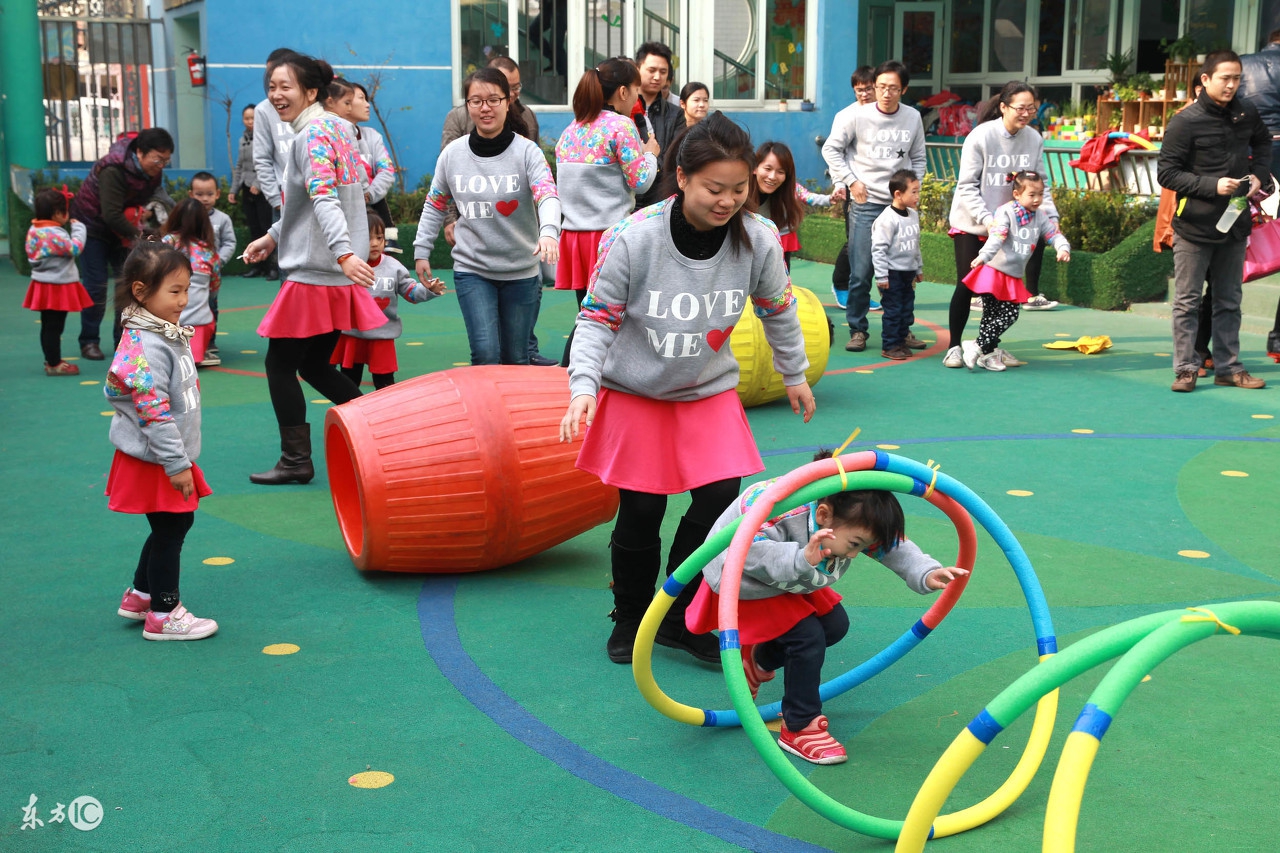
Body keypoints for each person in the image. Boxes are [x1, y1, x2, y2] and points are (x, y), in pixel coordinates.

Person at [558, 112, 817, 666]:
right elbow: (597, 318)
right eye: (714, 188)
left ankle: (676, 618)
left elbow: (778, 309)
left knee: (721, 501)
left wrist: (793, 373)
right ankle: (630, 618)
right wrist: (583, 386)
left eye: (739, 189)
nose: (727, 201)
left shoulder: (760, 238)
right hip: (637, 391)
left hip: (707, 391)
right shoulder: (633, 237)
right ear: (682, 178)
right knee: (642, 510)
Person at [684, 451, 967, 764]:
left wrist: (927, 572)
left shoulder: (847, 515)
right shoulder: (779, 511)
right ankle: (799, 725)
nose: (857, 555)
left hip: (793, 576)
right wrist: (801, 558)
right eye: (855, 544)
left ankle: (759, 658)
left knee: (834, 625)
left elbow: (892, 547)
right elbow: (745, 553)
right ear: (822, 516)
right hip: (744, 581)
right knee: (806, 638)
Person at [241, 51, 385, 485]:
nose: (275, 95)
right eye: (271, 87)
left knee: (279, 365)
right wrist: (272, 236)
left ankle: (295, 461)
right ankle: (378, 436)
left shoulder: (313, 136)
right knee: (316, 366)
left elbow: (325, 198)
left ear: (310, 92)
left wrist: (341, 252)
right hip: (333, 270)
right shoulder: (340, 128)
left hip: (317, 271)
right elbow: (318, 199)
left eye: (285, 87)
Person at [105, 242, 218, 641]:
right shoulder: (147, 343)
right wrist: (177, 463)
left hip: (162, 454)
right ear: (141, 291)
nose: (184, 300)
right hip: (157, 457)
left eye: (187, 289)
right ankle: (164, 613)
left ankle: (141, 594)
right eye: (175, 291)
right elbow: (153, 411)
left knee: (169, 526)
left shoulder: (159, 331)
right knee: (172, 528)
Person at [415, 67, 561, 367]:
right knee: (485, 354)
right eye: (476, 101)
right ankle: (486, 416)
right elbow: (435, 204)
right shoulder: (453, 155)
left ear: (508, 102)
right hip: (473, 270)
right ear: (467, 106)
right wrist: (421, 250)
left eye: (493, 99)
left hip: (521, 271)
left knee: (516, 358)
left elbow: (547, 194)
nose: (485, 108)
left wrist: (548, 231)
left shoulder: (527, 152)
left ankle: (512, 415)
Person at [1158, 50, 1272, 392]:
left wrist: (1259, 177)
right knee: (1187, 302)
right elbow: (1167, 173)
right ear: (1205, 80)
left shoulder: (1246, 111)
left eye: (1237, 78)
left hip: (1235, 223)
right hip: (1193, 225)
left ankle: (1228, 368)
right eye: (1225, 78)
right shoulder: (1184, 121)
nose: (1232, 84)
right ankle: (1186, 369)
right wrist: (1212, 185)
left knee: (1229, 300)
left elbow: (1264, 142)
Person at [943, 82, 1059, 369]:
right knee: (967, 284)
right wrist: (987, 220)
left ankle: (988, 347)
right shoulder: (980, 136)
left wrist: (1051, 220)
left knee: (998, 290)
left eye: (1031, 108)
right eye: (1020, 107)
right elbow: (967, 186)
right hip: (973, 222)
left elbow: (1039, 183)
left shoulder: (1033, 138)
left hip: (1009, 225)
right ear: (1004, 107)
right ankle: (954, 345)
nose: (1026, 113)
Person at [554, 57, 660, 364]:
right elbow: (640, 183)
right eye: (637, 93)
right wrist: (650, 154)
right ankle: (570, 376)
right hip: (609, 238)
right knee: (603, 321)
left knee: (587, 315)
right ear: (624, 92)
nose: (638, 101)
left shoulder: (572, 128)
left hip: (575, 238)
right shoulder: (621, 126)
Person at [822, 60, 926, 353]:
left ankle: (901, 330)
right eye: (881, 87)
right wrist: (851, 182)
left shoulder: (913, 117)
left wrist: (912, 192)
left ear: (903, 89)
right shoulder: (855, 116)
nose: (886, 93)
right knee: (862, 271)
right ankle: (858, 329)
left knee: (903, 272)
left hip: (900, 207)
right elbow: (831, 149)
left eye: (893, 88)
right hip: (866, 204)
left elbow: (918, 158)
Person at [70, 127, 174, 359]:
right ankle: (89, 340)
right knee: (96, 286)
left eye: (166, 160)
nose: (161, 165)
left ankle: (123, 342)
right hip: (94, 227)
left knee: (127, 287)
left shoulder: (154, 171)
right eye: (158, 159)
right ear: (140, 152)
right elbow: (111, 215)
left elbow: (154, 198)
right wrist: (138, 235)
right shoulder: (113, 170)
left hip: (123, 231)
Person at [961, 170, 1070, 372]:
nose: (1037, 199)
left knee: (999, 316)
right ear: (1017, 194)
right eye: (1032, 194)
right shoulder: (1006, 212)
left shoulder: (1040, 217)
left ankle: (984, 352)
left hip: (1012, 275)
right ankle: (979, 348)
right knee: (1003, 315)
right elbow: (997, 236)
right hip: (994, 271)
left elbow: (1053, 234)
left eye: (1040, 194)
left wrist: (1062, 248)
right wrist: (983, 256)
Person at [332, 213, 445, 389]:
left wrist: (428, 290)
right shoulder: (349, 268)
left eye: (379, 237)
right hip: (352, 335)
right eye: (368, 238)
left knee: (385, 385)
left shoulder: (394, 267)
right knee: (349, 384)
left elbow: (411, 292)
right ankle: (347, 416)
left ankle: (385, 416)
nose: (375, 243)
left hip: (382, 336)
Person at [1153, 82, 1215, 377]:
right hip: (1187, 219)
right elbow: (1168, 178)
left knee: (1219, 291)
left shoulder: (1235, 120)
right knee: (1189, 294)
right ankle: (1191, 356)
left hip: (1224, 220)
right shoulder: (1183, 121)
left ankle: (1202, 350)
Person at [1238, 30, 1280, 362]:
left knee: (1229, 244)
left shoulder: (1241, 66)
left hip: (1247, 157)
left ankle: (1201, 347)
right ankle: (1278, 339)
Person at [24, 188, 93, 375]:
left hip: (42, 284)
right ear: (57, 213)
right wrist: (79, 229)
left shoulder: (34, 229)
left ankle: (51, 360)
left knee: (48, 325)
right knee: (54, 327)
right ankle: (54, 364)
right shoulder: (55, 234)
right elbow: (75, 248)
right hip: (56, 285)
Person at [252, 47, 303, 282]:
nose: (276, 90)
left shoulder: (312, 108)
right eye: (271, 82)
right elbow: (261, 158)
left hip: (316, 197)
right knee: (289, 266)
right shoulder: (264, 110)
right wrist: (275, 200)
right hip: (283, 201)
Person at [831, 65, 877, 310]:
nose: (864, 94)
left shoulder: (887, 117)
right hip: (856, 190)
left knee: (876, 244)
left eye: (869, 89)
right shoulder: (846, 116)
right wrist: (841, 184)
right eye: (859, 90)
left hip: (882, 192)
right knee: (856, 242)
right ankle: (841, 285)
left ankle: (861, 292)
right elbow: (835, 153)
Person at [751, 140, 832, 271]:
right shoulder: (741, 191)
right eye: (768, 168)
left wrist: (830, 199)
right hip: (751, 246)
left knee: (781, 275)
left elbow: (809, 197)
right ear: (755, 168)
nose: (772, 176)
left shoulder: (791, 190)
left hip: (781, 238)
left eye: (780, 172)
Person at [161, 198, 221, 366]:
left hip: (166, 321)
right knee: (210, 305)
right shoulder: (208, 252)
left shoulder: (165, 244)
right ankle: (200, 350)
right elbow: (214, 288)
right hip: (199, 323)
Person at [872, 169, 924, 361]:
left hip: (908, 273)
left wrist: (918, 268)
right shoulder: (887, 219)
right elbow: (878, 249)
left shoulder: (912, 215)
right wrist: (881, 276)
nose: (917, 196)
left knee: (906, 308)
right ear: (898, 194)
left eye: (918, 191)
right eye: (914, 192)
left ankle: (901, 341)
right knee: (893, 310)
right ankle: (890, 345)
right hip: (892, 273)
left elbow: (915, 245)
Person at [188, 172, 236, 366]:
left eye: (209, 194)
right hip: (187, 274)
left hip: (211, 273)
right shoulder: (187, 217)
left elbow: (230, 243)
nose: (205, 199)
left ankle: (209, 342)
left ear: (217, 194)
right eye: (199, 194)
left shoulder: (222, 219)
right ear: (191, 194)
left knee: (211, 306)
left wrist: (219, 261)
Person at [632, 41, 685, 209]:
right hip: (627, 197)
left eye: (663, 72)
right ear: (637, 69)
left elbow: (677, 154)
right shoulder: (621, 109)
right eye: (651, 70)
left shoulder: (675, 114)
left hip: (659, 199)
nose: (657, 77)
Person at [230, 103, 273, 279]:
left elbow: (268, 162)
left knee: (266, 228)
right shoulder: (243, 140)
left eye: (253, 118)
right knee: (253, 228)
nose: (250, 121)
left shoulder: (265, 137)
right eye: (246, 118)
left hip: (263, 189)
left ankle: (272, 267)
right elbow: (240, 166)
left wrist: (259, 183)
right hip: (247, 188)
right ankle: (257, 266)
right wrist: (234, 190)